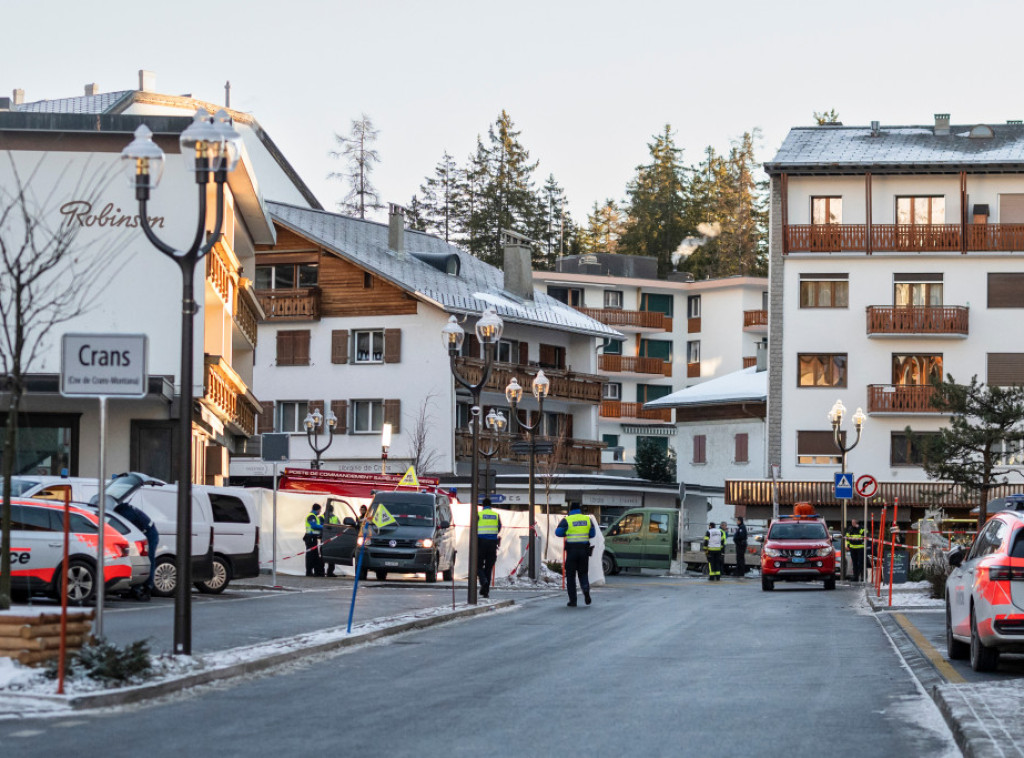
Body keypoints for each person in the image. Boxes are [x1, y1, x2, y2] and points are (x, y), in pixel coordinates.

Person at [112, 499, 159, 600]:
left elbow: (124, 529)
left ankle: (147, 588)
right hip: (146, 531)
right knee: (137, 560)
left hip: (149, 533)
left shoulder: (124, 513)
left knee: (147, 561)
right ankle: (136, 588)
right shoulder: (124, 509)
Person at [555, 505, 596, 607]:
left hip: (572, 550)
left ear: (570, 510)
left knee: (570, 575)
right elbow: (592, 534)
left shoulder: (567, 520)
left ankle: (573, 600)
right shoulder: (587, 519)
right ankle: (586, 591)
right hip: (584, 551)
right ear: (580, 510)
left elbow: (558, 532)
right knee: (583, 573)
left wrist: (567, 532)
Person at [477, 498, 501, 598]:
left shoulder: (479, 515)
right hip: (492, 543)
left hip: (481, 542)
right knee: (489, 566)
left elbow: (474, 527)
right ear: (490, 505)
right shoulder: (496, 515)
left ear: (483, 505)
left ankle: (483, 581)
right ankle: (485, 591)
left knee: (477, 565)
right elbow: (499, 527)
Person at [304, 503, 325, 577]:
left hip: (313, 538)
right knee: (310, 555)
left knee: (314, 555)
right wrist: (323, 527)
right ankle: (309, 571)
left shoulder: (314, 516)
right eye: (320, 510)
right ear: (317, 509)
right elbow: (314, 526)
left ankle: (313, 571)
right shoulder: (312, 516)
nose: (320, 511)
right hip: (310, 538)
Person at [323, 502, 340, 577]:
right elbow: (340, 527)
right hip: (333, 539)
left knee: (322, 555)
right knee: (332, 556)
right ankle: (330, 572)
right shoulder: (335, 518)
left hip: (324, 538)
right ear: (332, 510)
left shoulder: (322, 517)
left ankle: (320, 571)